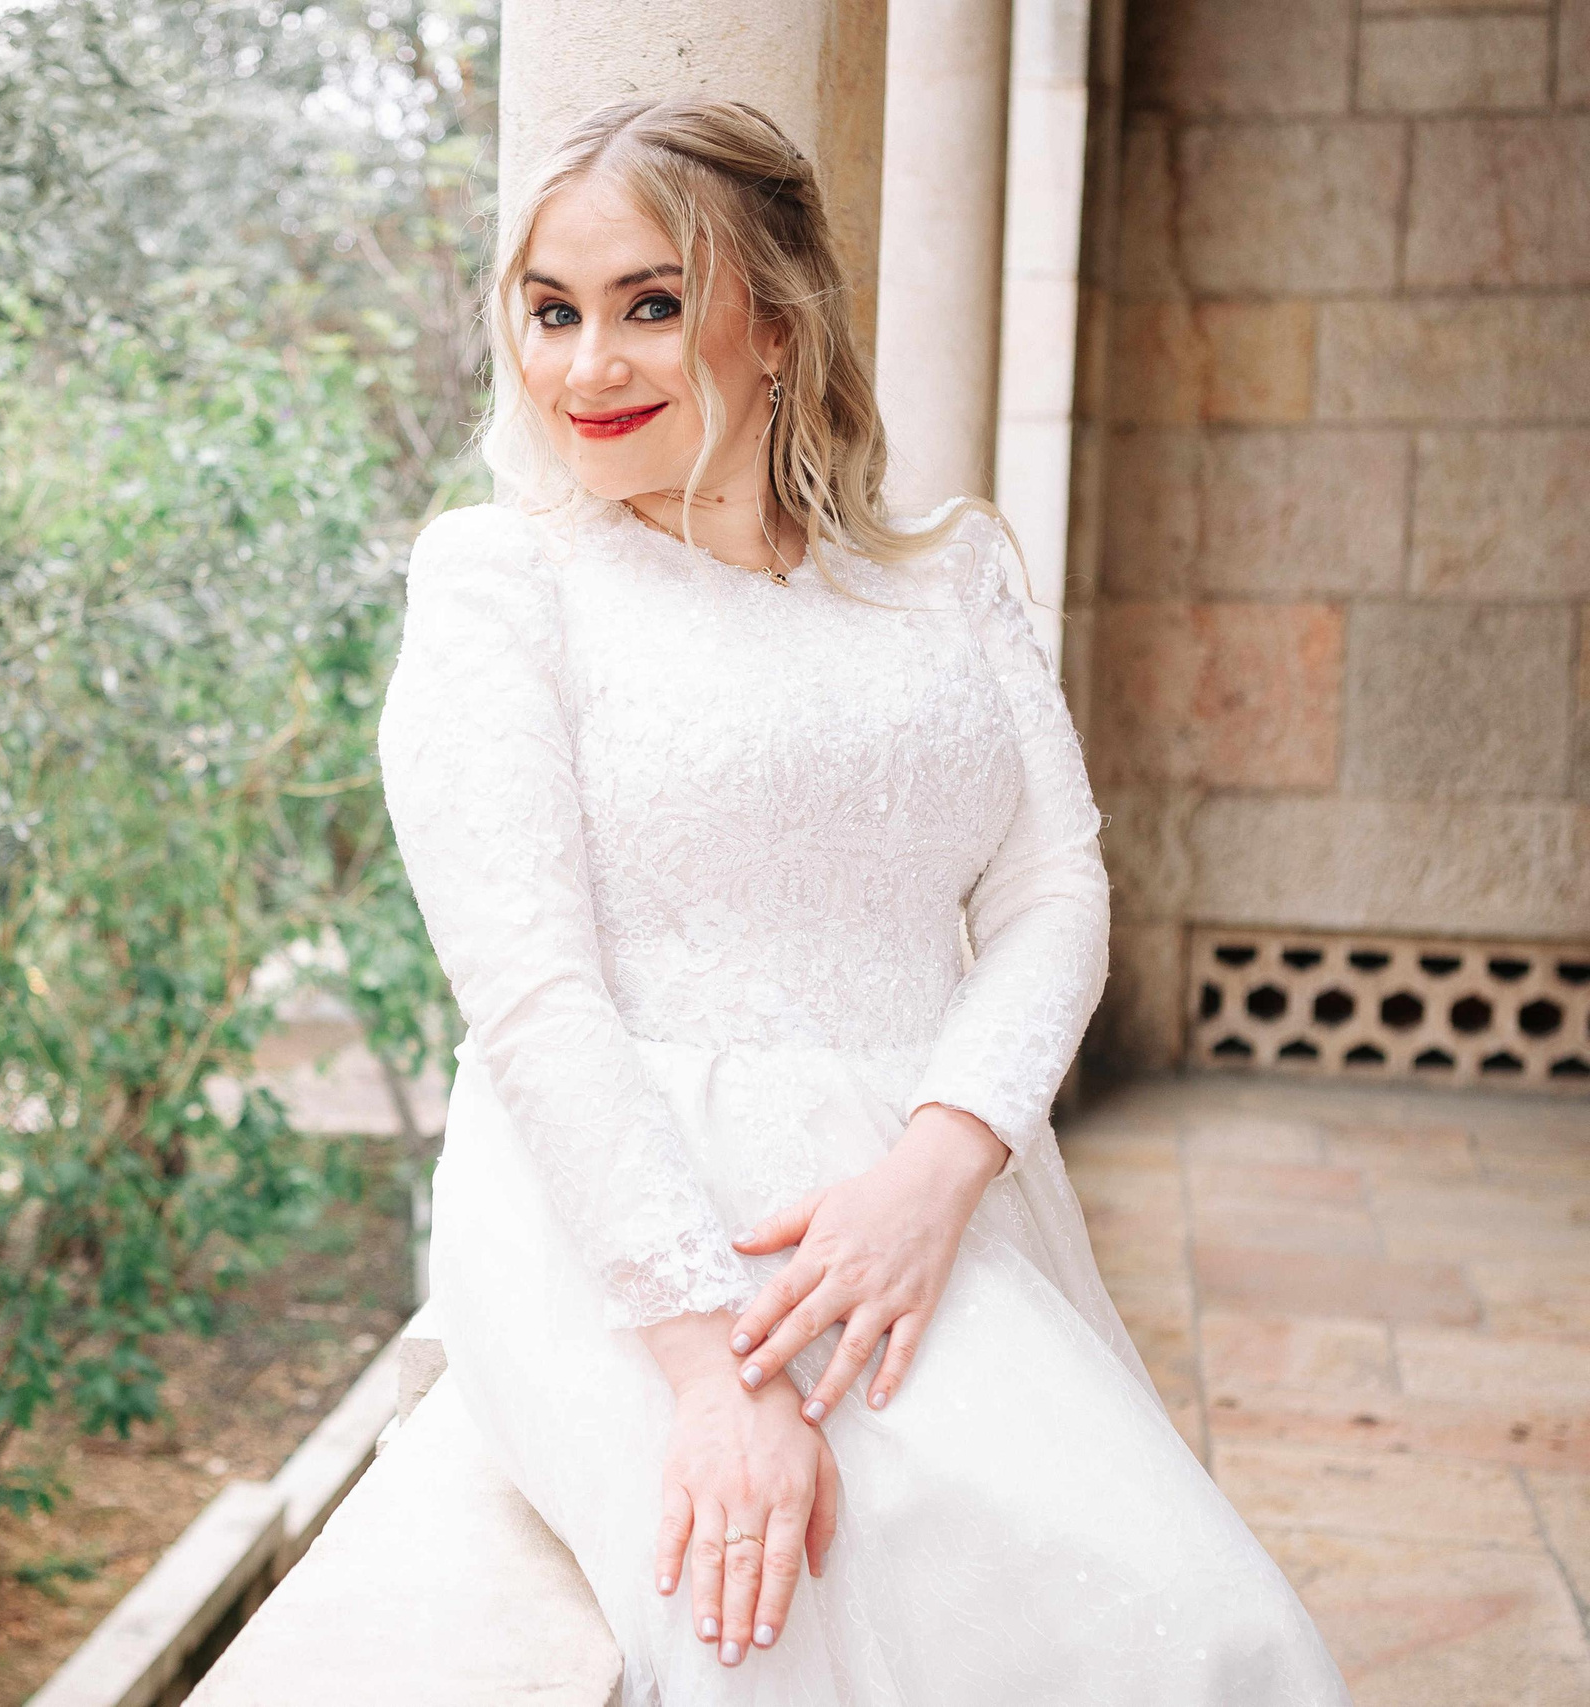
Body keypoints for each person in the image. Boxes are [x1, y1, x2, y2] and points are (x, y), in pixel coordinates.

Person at [375, 97, 1351, 1705]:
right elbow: (533, 995)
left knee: (1200, 1620)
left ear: (775, 319)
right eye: (551, 312)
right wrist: (710, 1372)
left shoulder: (947, 574)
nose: (586, 367)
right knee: (784, 1619)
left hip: (926, 1189)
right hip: (635, 1212)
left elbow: (1054, 892)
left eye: (651, 304)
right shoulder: (501, 586)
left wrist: (939, 1165)